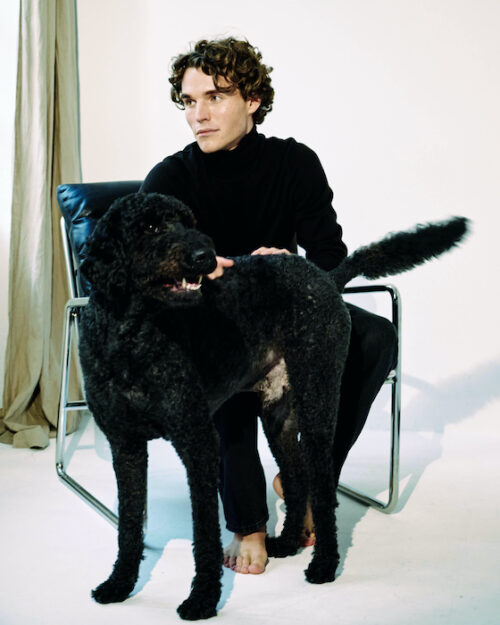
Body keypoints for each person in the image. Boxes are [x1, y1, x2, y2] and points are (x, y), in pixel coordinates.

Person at [140, 37, 398, 576]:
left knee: (374, 336)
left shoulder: (294, 162)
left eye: (215, 97)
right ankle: (248, 523)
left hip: (291, 314)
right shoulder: (171, 178)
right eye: (189, 101)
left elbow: (330, 257)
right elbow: (147, 269)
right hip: (212, 321)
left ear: (253, 99)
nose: (198, 114)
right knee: (229, 357)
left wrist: (292, 268)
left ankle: (306, 477)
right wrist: (206, 271)